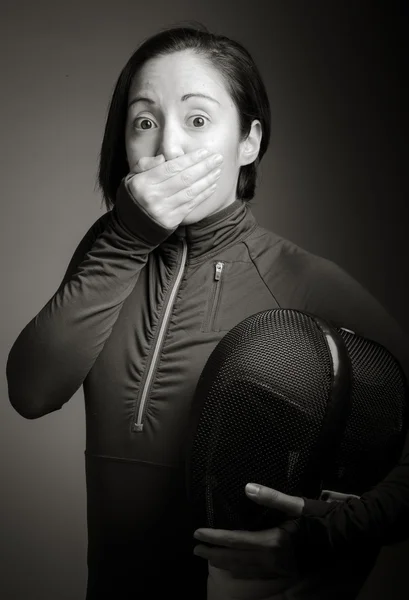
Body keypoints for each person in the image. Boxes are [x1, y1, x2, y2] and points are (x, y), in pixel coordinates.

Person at [6, 24, 409, 600]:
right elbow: (31, 391)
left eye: (197, 120)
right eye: (145, 122)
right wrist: (125, 240)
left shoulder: (298, 278)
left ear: (248, 141)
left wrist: (327, 536)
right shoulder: (111, 246)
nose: (168, 147)